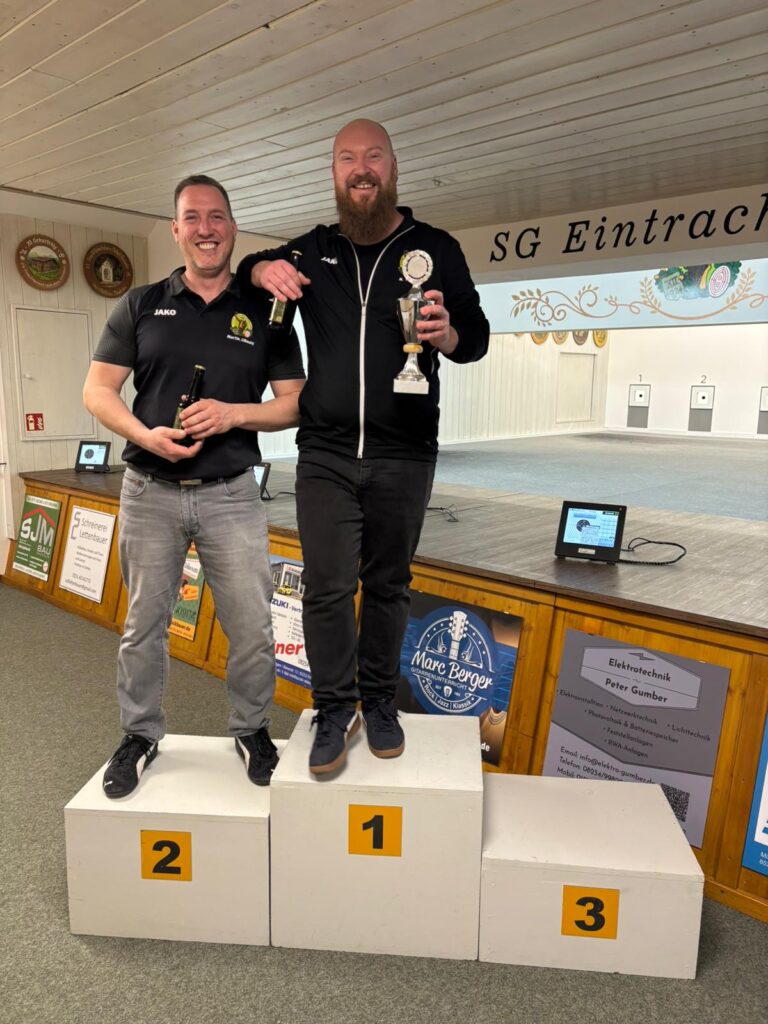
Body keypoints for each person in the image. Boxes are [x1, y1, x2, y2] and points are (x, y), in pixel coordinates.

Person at [238, 119, 489, 775]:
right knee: (325, 588)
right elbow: (245, 271)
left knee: (388, 586)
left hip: (405, 454)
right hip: (324, 453)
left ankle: (378, 703)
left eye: (373, 156)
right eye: (347, 158)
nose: (361, 168)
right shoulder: (312, 251)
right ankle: (333, 708)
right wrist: (261, 266)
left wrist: (447, 335)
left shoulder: (435, 248)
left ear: (393, 168)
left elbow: (478, 337)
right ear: (334, 174)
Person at [83, 174, 305, 797]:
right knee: (143, 627)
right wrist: (145, 435)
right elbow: (97, 390)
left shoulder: (266, 311)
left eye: (217, 217)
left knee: (252, 628)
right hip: (148, 490)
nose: (206, 229)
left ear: (232, 228)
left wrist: (234, 414)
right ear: (176, 230)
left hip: (231, 493)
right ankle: (140, 735)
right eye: (193, 218)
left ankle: (252, 728)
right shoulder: (140, 304)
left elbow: (295, 403)